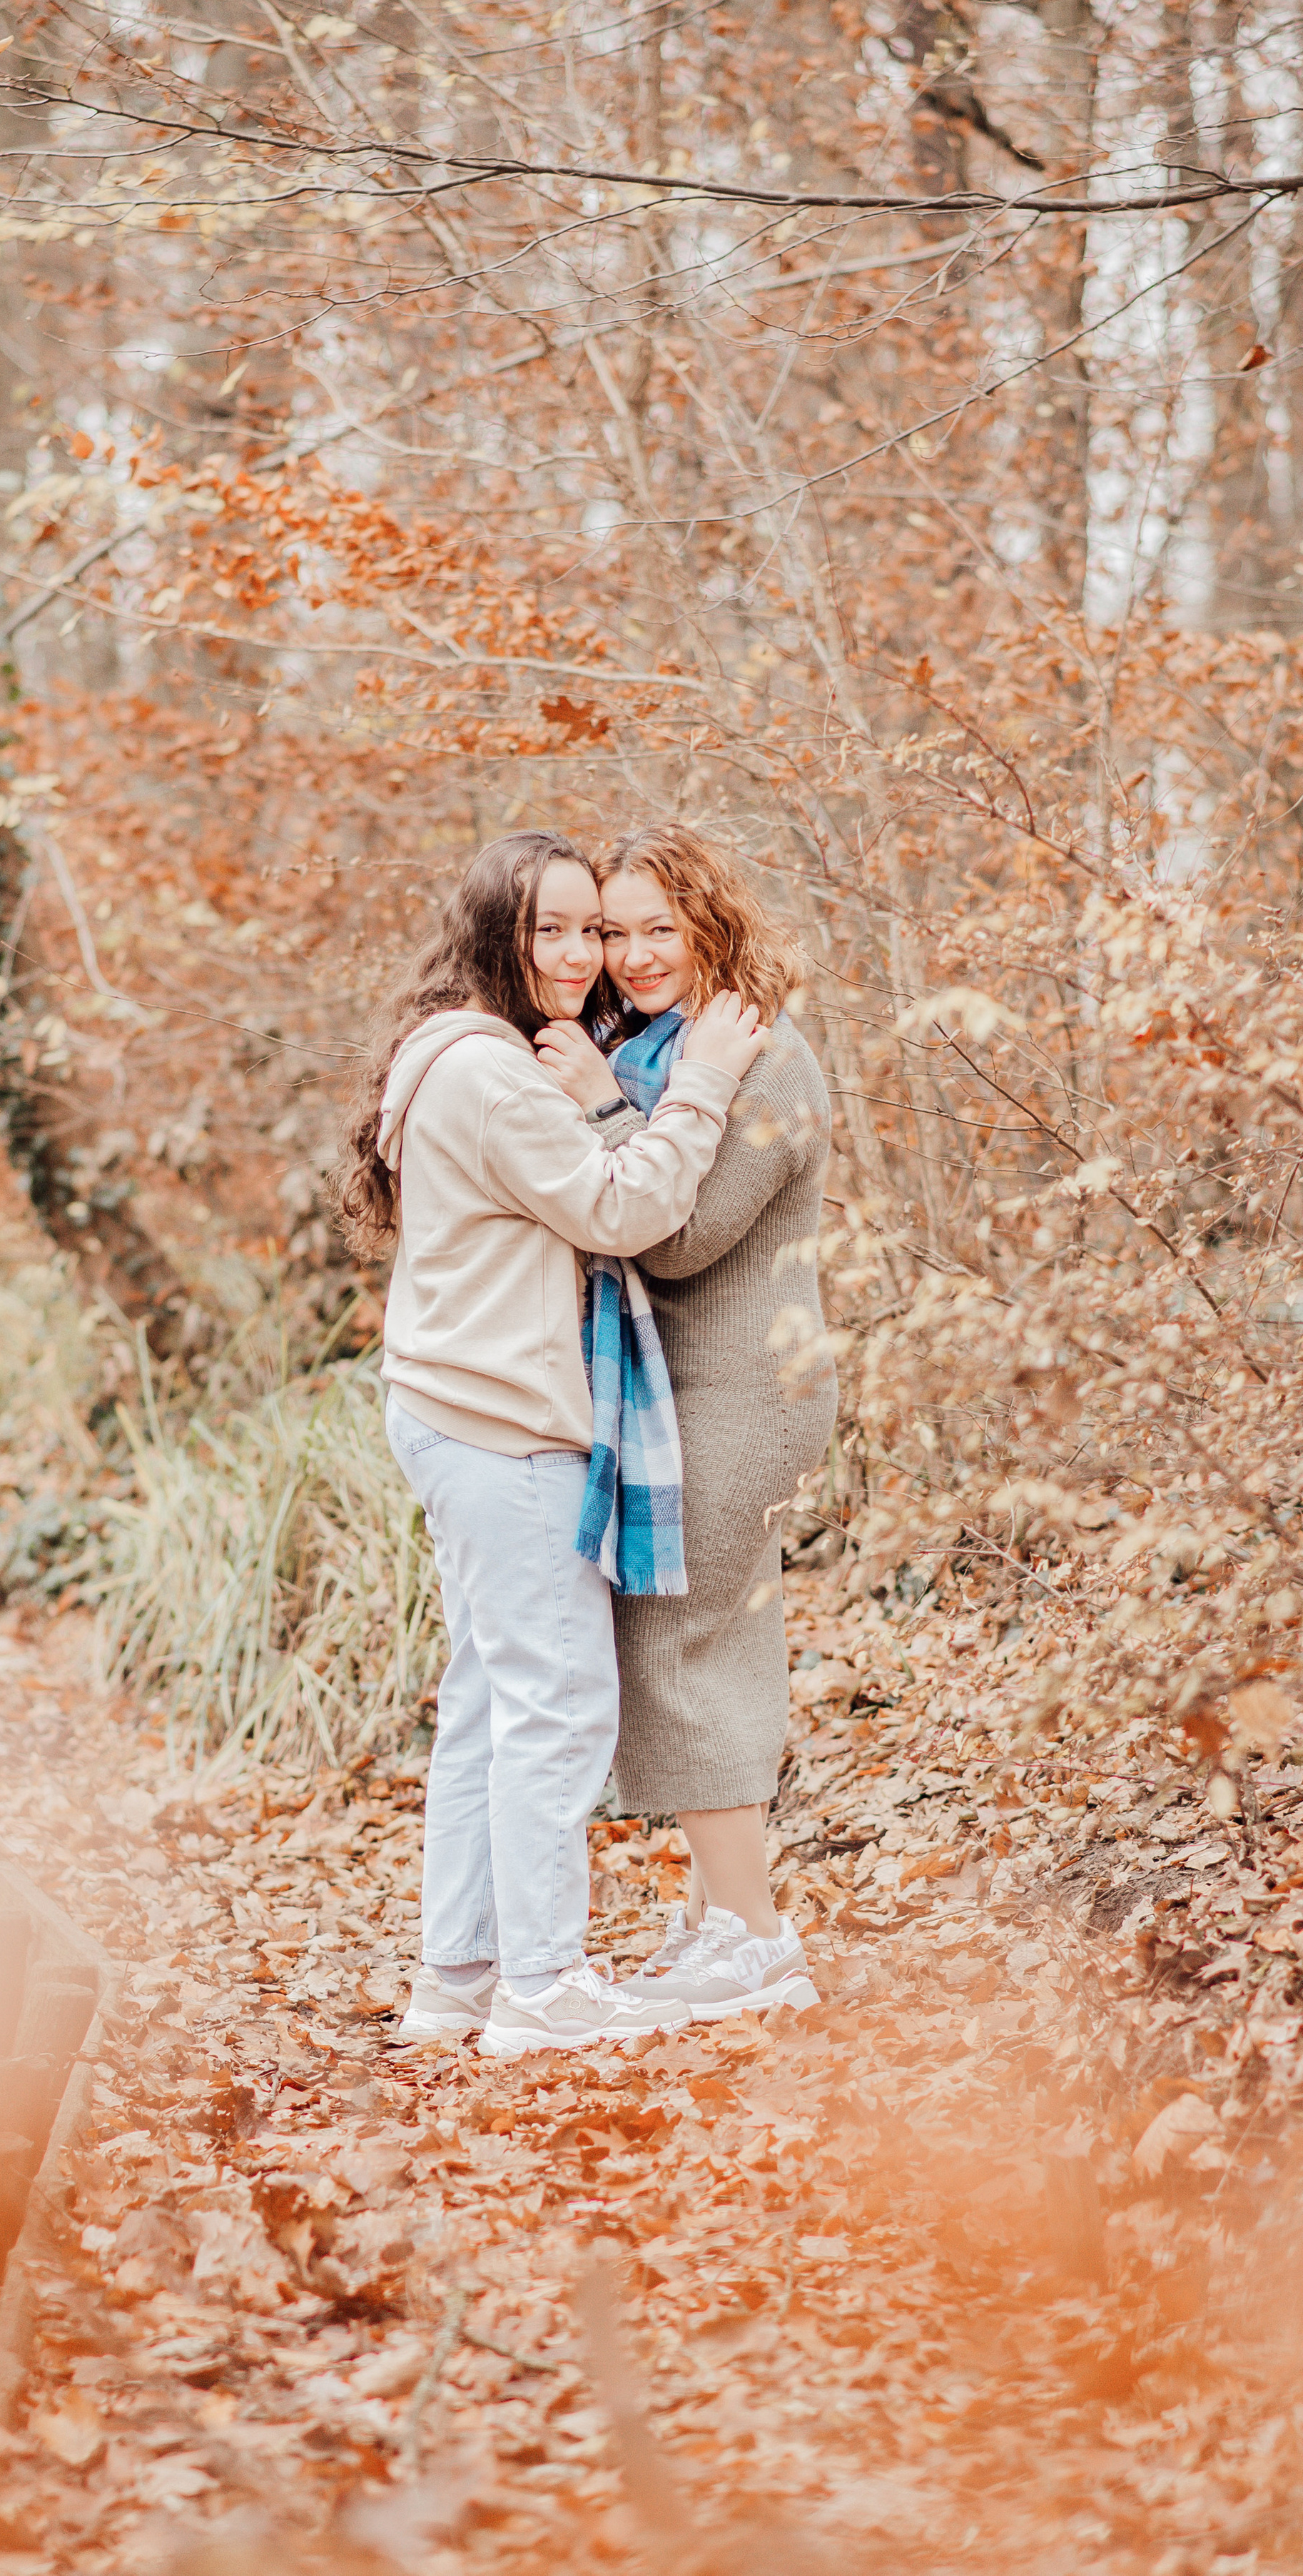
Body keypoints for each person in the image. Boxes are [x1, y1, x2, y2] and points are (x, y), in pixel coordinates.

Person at [336, 829, 767, 2056]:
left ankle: (459, 1978)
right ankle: (543, 1982)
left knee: (487, 1702)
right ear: (496, 937)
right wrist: (703, 1085)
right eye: (553, 929)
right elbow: (623, 1207)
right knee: (558, 1704)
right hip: (502, 1422)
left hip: (451, 1407)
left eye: (594, 927)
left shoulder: (450, 1047)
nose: (582, 954)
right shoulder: (491, 1073)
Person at [538, 823, 835, 2020]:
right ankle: (729, 1915)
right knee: (712, 1641)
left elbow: (679, 1234)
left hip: (746, 1394)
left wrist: (607, 1108)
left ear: (712, 921)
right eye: (614, 930)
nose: (635, 953)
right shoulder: (655, 1048)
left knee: (680, 1646)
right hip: (684, 1394)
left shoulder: (762, 1057)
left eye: (662, 926)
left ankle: (755, 1941)